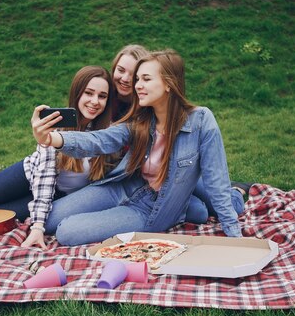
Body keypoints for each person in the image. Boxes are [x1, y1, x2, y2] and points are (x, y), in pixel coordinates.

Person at [32, 49, 246, 246]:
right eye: (137, 79)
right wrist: (52, 138)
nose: (136, 86)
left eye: (145, 79)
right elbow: (98, 140)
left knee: (66, 232)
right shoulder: (141, 121)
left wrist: (235, 237)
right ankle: (190, 208)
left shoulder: (201, 121)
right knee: (49, 221)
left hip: (150, 209)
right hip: (123, 186)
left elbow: (216, 182)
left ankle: (231, 195)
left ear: (168, 84)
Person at [0, 65, 116, 248]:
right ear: (77, 93)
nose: (95, 101)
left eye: (102, 96)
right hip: (29, 173)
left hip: (58, 194)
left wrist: (38, 224)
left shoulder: (107, 136)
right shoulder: (55, 125)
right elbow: (45, 176)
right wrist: (37, 226)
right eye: (89, 93)